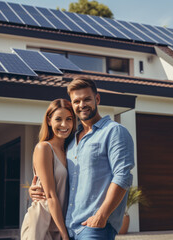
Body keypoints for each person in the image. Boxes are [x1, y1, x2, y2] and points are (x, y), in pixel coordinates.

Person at [30, 78, 135, 240]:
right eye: (76, 101)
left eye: (87, 99)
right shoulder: (71, 141)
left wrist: (101, 216)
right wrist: (37, 189)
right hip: (69, 226)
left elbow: (123, 176)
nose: (82, 105)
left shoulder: (114, 131)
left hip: (94, 228)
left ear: (97, 99)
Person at [28, 99, 76, 240]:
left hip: (65, 223)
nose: (64, 125)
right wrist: (64, 235)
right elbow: (50, 196)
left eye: (69, 119)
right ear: (49, 121)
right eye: (58, 119)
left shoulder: (71, 150)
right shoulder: (43, 148)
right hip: (43, 225)